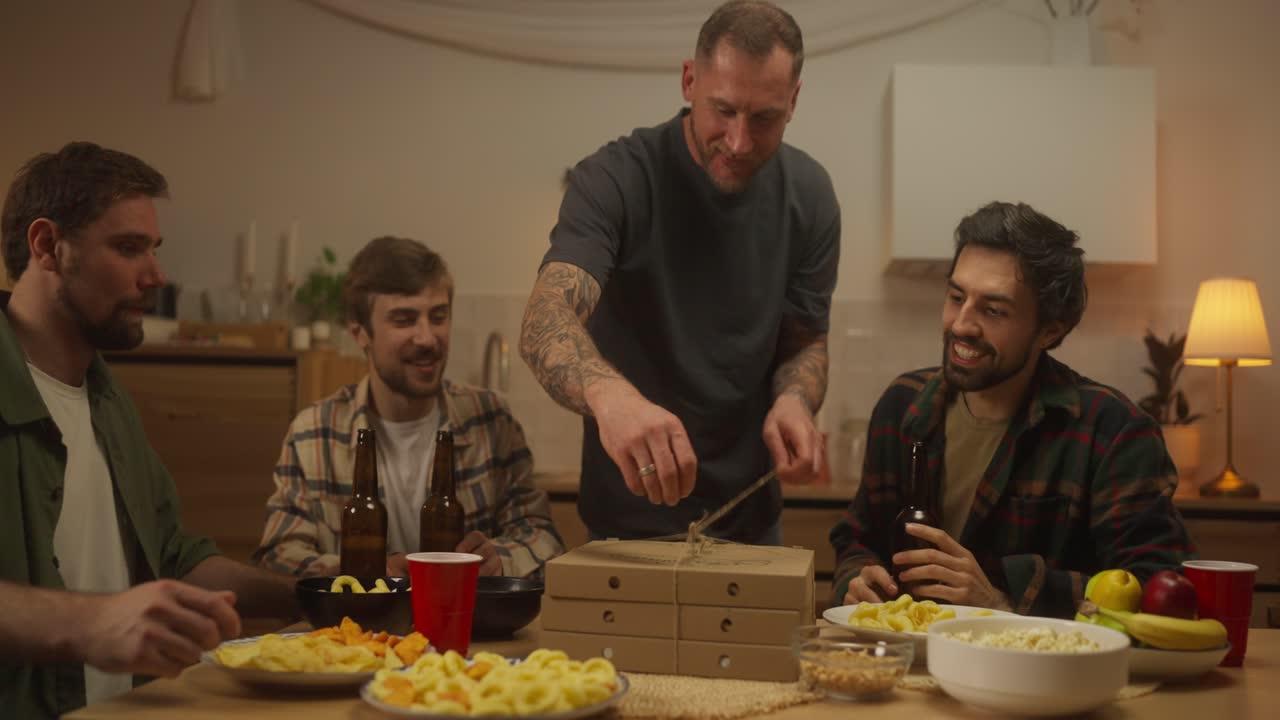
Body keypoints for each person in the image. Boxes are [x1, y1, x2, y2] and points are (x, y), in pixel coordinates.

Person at [519, 0, 839, 544]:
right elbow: (545, 317)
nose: (738, 141)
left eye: (764, 118)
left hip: (751, 525)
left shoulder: (810, 196)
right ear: (690, 80)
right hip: (625, 526)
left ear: (794, 100)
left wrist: (795, 399)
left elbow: (805, 341)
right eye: (723, 110)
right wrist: (610, 396)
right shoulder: (615, 179)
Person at [0, 142, 299, 718]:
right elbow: (101, 620)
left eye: (153, 250)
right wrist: (90, 623)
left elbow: (172, 557)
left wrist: (314, 594)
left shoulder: (109, 402)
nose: (156, 276)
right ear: (47, 246)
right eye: (128, 248)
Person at [830, 201, 1196, 618]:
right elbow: (858, 537)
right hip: (909, 652)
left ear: (1049, 331)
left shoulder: (1113, 430)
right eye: (956, 296)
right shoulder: (902, 405)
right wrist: (857, 579)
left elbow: (1158, 586)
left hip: (1039, 660)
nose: (961, 324)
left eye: (993, 310)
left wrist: (1001, 600)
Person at [254, 236, 564, 579]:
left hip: (466, 613)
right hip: (359, 615)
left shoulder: (491, 420)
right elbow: (279, 554)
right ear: (360, 333)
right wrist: (362, 570)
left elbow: (542, 537)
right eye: (404, 320)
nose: (427, 338)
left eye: (438, 316)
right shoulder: (313, 433)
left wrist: (501, 559)